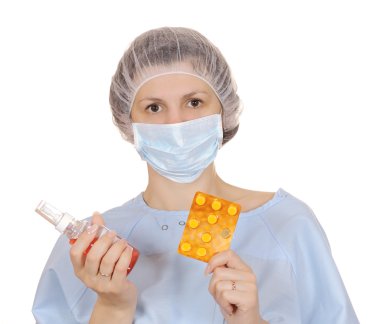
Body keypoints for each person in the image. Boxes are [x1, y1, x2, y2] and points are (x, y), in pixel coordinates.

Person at [32, 27, 359, 324]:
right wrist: (113, 307)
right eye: (154, 108)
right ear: (128, 120)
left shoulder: (288, 226)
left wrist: (250, 321)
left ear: (222, 111)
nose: (177, 124)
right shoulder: (93, 249)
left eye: (194, 102)